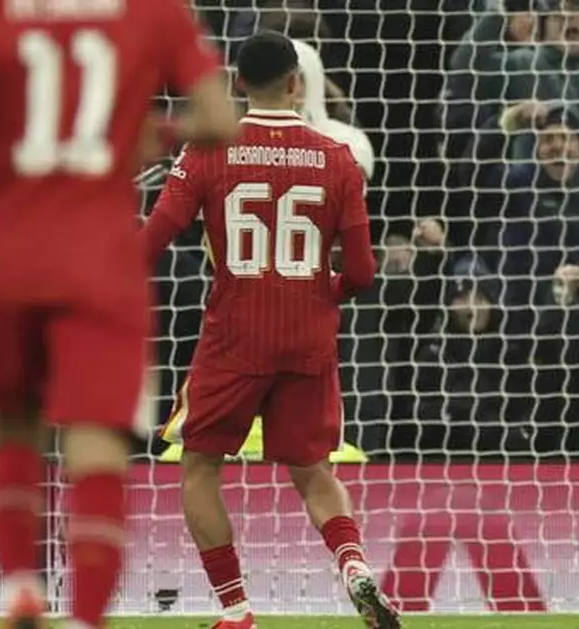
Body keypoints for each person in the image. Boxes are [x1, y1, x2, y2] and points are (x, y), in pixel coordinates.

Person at [0, 1, 239, 628]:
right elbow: (220, 118)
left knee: (15, 427)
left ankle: (21, 588)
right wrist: (150, 129)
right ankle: (85, 616)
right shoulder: (156, 10)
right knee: (96, 443)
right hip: (99, 255)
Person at [140, 31, 396, 629]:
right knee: (313, 470)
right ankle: (353, 565)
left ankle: (236, 610)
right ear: (296, 84)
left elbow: (150, 244)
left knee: (200, 466)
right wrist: (316, 292)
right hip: (308, 335)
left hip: (234, 333)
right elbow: (361, 271)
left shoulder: (208, 150)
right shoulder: (338, 158)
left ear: (235, 85)